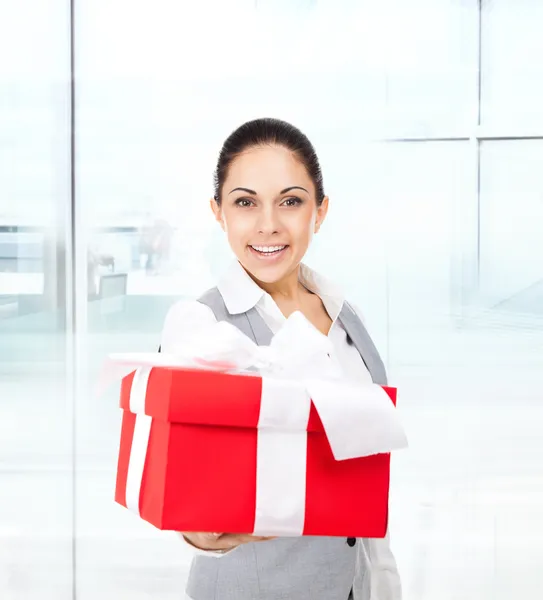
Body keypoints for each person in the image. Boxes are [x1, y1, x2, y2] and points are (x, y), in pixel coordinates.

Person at [161, 118, 402, 600]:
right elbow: (181, 487)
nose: (268, 224)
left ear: (320, 210)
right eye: (245, 202)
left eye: (290, 201)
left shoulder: (344, 313)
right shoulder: (201, 327)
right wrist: (199, 536)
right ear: (219, 212)